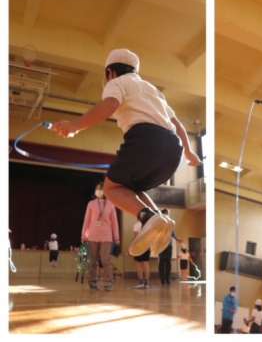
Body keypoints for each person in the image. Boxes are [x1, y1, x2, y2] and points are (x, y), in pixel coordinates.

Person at [51, 49, 201, 256]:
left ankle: (148, 217)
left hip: (145, 140)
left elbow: (110, 105)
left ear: (110, 72)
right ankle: (161, 221)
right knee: (131, 190)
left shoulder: (117, 83)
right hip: (173, 151)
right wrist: (189, 153)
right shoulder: (153, 90)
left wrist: (75, 125)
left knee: (111, 188)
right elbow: (178, 125)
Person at [81, 181, 120, 291]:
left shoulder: (111, 204)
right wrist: (83, 235)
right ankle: (92, 282)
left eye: (101, 189)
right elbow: (87, 220)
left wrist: (116, 237)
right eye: (97, 189)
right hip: (92, 236)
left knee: (105, 260)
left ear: (105, 191)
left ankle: (108, 282)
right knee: (92, 260)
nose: (98, 191)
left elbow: (115, 223)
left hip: (107, 237)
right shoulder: (91, 204)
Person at [158, 208, 181, 285]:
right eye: (166, 213)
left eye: (167, 214)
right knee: (162, 263)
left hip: (168, 246)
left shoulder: (170, 223)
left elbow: (173, 234)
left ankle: (167, 279)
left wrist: (177, 239)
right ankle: (163, 279)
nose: (167, 215)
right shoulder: (159, 223)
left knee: (167, 263)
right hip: (162, 246)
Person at [132, 208, 154, 289]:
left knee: (139, 264)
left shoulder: (137, 224)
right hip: (146, 246)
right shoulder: (150, 225)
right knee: (146, 263)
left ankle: (141, 282)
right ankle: (146, 283)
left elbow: (135, 238)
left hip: (138, 246)